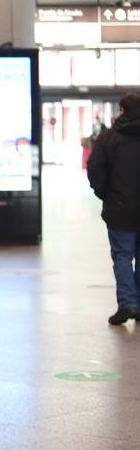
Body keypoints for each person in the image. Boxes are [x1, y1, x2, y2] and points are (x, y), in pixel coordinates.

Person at [87, 92, 140, 325]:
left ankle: (128, 304)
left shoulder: (108, 139)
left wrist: (105, 195)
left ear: (121, 111)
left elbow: (95, 170)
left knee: (122, 256)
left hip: (119, 209)